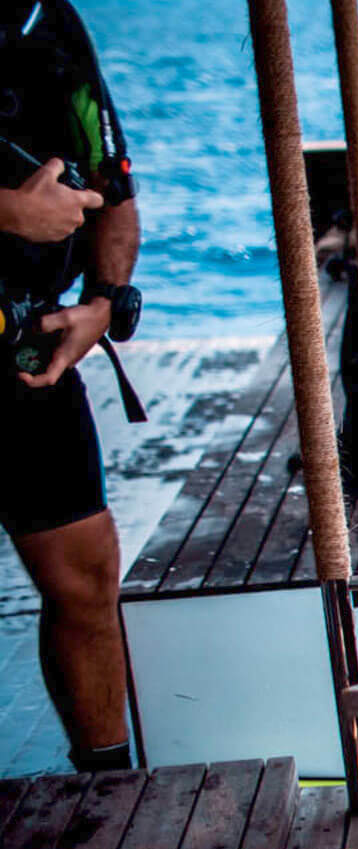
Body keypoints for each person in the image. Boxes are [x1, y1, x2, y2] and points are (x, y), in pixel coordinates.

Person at [0, 0, 143, 772]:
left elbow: (116, 202)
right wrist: (11, 212)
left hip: (28, 355)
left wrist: (102, 307)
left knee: (86, 578)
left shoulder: (48, 24)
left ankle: (107, 789)